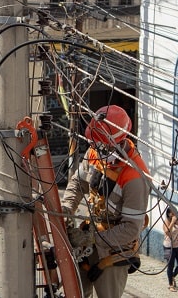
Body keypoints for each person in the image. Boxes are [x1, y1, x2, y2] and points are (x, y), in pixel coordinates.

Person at [61, 105, 150, 298]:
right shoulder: (95, 153)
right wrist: (67, 208)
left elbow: (130, 228)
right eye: (94, 144)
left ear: (117, 142)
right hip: (91, 238)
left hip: (113, 250)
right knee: (75, 292)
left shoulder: (135, 178)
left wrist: (91, 239)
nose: (95, 148)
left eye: (100, 145)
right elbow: (78, 183)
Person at [163, 206, 178, 292]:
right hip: (169, 247)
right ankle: (170, 285)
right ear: (169, 214)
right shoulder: (166, 222)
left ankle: (172, 276)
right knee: (170, 266)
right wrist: (172, 222)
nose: (174, 214)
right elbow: (167, 232)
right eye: (172, 213)